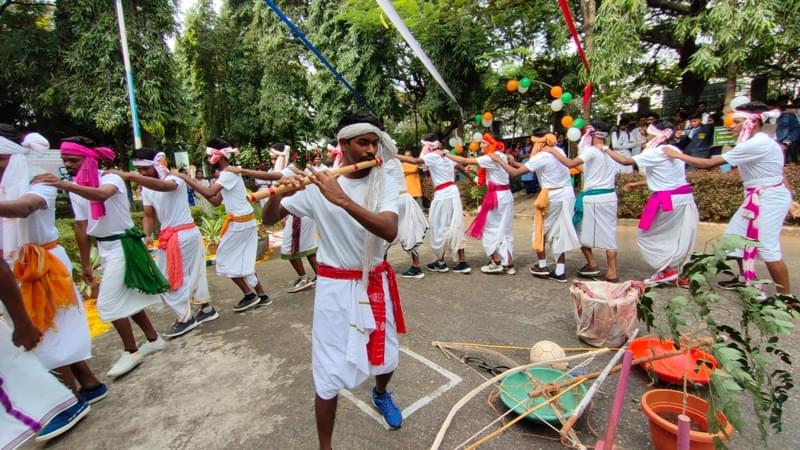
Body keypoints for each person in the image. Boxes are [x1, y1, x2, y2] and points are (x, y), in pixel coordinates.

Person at [262, 111, 405, 450]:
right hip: (333, 288)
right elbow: (269, 219)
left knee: (387, 359)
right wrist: (280, 192)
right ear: (343, 145)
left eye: (374, 142)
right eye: (362, 143)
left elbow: (388, 229)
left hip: (374, 280)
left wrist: (338, 198)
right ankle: (325, 446)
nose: (371, 150)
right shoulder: (318, 185)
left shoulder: (385, 179)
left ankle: (381, 393)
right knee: (327, 373)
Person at [32, 137, 168, 378]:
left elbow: (101, 195)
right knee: (127, 295)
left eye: (73, 160)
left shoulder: (110, 179)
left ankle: (131, 351)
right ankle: (153, 339)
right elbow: (81, 227)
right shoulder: (76, 187)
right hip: (106, 249)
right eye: (65, 161)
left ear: (90, 159)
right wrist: (86, 263)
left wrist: (66, 185)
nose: (69, 165)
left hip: (124, 246)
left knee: (108, 304)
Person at [0, 128, 104, 442]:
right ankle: (89, 384)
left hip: (44, 265)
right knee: (47, 328)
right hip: (22, 264)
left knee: (42, 331)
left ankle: (65, 402)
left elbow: (24, 208)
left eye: (2, 161)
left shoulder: (39, 181)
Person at [662, 101, 793, 296]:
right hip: (758, 197)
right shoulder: (758, 142)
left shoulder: (757, 143)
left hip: (769, 199)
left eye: (737, 121)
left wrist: (677, 155)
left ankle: (786, 298)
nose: (731, 126)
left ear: (753, 122)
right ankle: (746, 281)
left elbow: (709, 163)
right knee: (734, 239)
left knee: (767, 248)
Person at [106, 148, 217, 338]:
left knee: (169, 277)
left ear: (156, 165)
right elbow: (149, 214)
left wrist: (127, 176)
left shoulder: (174, 179)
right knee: (191, 273)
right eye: (138, 170)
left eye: (145, 169)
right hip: (173, 236)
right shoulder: (147, 187)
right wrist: (147, 234)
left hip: (183, 235)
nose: (141, 173)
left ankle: (185, 318)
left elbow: (163, 187)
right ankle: (206, 309)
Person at [0, 256, 88, 448]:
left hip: (33, 267)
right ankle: (87, 384)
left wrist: (22, 323)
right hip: (22, 269)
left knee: (46, 340)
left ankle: (68, 402)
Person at [176, 139, 271, 311]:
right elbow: (216, 201)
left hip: (239, 223)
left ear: (216, 156)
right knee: (242, 261)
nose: (207, 160)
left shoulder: (227, 174)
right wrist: (199, 188)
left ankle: (249, 295)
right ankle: (261, 295)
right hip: (242, 222)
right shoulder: (226, 175)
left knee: (225, 260)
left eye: (208, 156)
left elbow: (211, 192)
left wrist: (185, 178)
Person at [605, 120, 699, 287]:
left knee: (646, 236)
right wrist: (638, 184)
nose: (645, 135)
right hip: (680, 198)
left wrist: (604, 148)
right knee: (677, 237)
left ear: (656, 135)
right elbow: (667, 177)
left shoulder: (657, 152)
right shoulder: (672, 149)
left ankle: (667, 270)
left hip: (669, 200)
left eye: (648, 133)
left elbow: (626, 161)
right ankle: (676, 273)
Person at [491, 129, 580, 282]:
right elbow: (531, 166)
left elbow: (515, 173)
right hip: (567, 194)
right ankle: (560, 271)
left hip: (551, 197)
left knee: (539, 230)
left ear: (538, 141)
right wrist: (512, 162)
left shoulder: (542, 155)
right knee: (560, 231)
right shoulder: (558, 150)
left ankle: (542, 265)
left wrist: (499, 161)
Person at [542, 121, 620, 281]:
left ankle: (594, 264)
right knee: (609, 233)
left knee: (577, 229)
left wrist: (553, 152)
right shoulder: (611, 154)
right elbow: (589, 171)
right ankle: (609, 271)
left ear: (593, 135)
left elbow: (570, 163)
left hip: (593, 198)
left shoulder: (592, 151)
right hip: (610, 197)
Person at [235, 147, 320, 293]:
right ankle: (317, 276)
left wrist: (242, 171)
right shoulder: (293, 170)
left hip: (299, 215)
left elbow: (270, 176)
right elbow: (268, 218)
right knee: (307, 248)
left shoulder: (291, 170)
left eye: (274, 156)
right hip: (295, 212)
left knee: (290, 248)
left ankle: (305, 277)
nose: (272, 159)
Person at [396, 135, 471, 274]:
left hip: (442, 195)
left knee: (438, 227)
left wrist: (393, 154)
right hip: (453, 192)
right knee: (455, 225)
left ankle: (441, 263)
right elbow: (461, 167)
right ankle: (462, 262)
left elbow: (414, 161)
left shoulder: (432, 156)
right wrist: (473, 178)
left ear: (427, 145)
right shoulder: (446, 154)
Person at [446, 134, 515, 274]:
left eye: (483, 143)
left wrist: (446, 154)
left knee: (486, 228)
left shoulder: (490, 157)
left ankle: (496, 262)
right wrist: (472, 174)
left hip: (496, 197)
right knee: (505, 230)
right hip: (506, 195)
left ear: (490, 144)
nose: (480, 145)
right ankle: (509, 264)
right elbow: (488, 179)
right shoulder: (500, 155)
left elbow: (465, 160)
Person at [383, 154, 428, 278]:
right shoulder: (396, 159)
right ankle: (416, 266)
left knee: (382, 234)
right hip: (405, 199)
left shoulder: (383, 160)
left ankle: (381, 267)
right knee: (409, 232)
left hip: (393, 201)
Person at [776, 95, 800, 164]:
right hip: (768, 145)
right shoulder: (768, 114)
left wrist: (786, 142)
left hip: (783, 145)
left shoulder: (790, 115)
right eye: (782, 101)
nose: (784, 103)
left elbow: (796, 130)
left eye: (785, 102)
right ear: (778, 102)